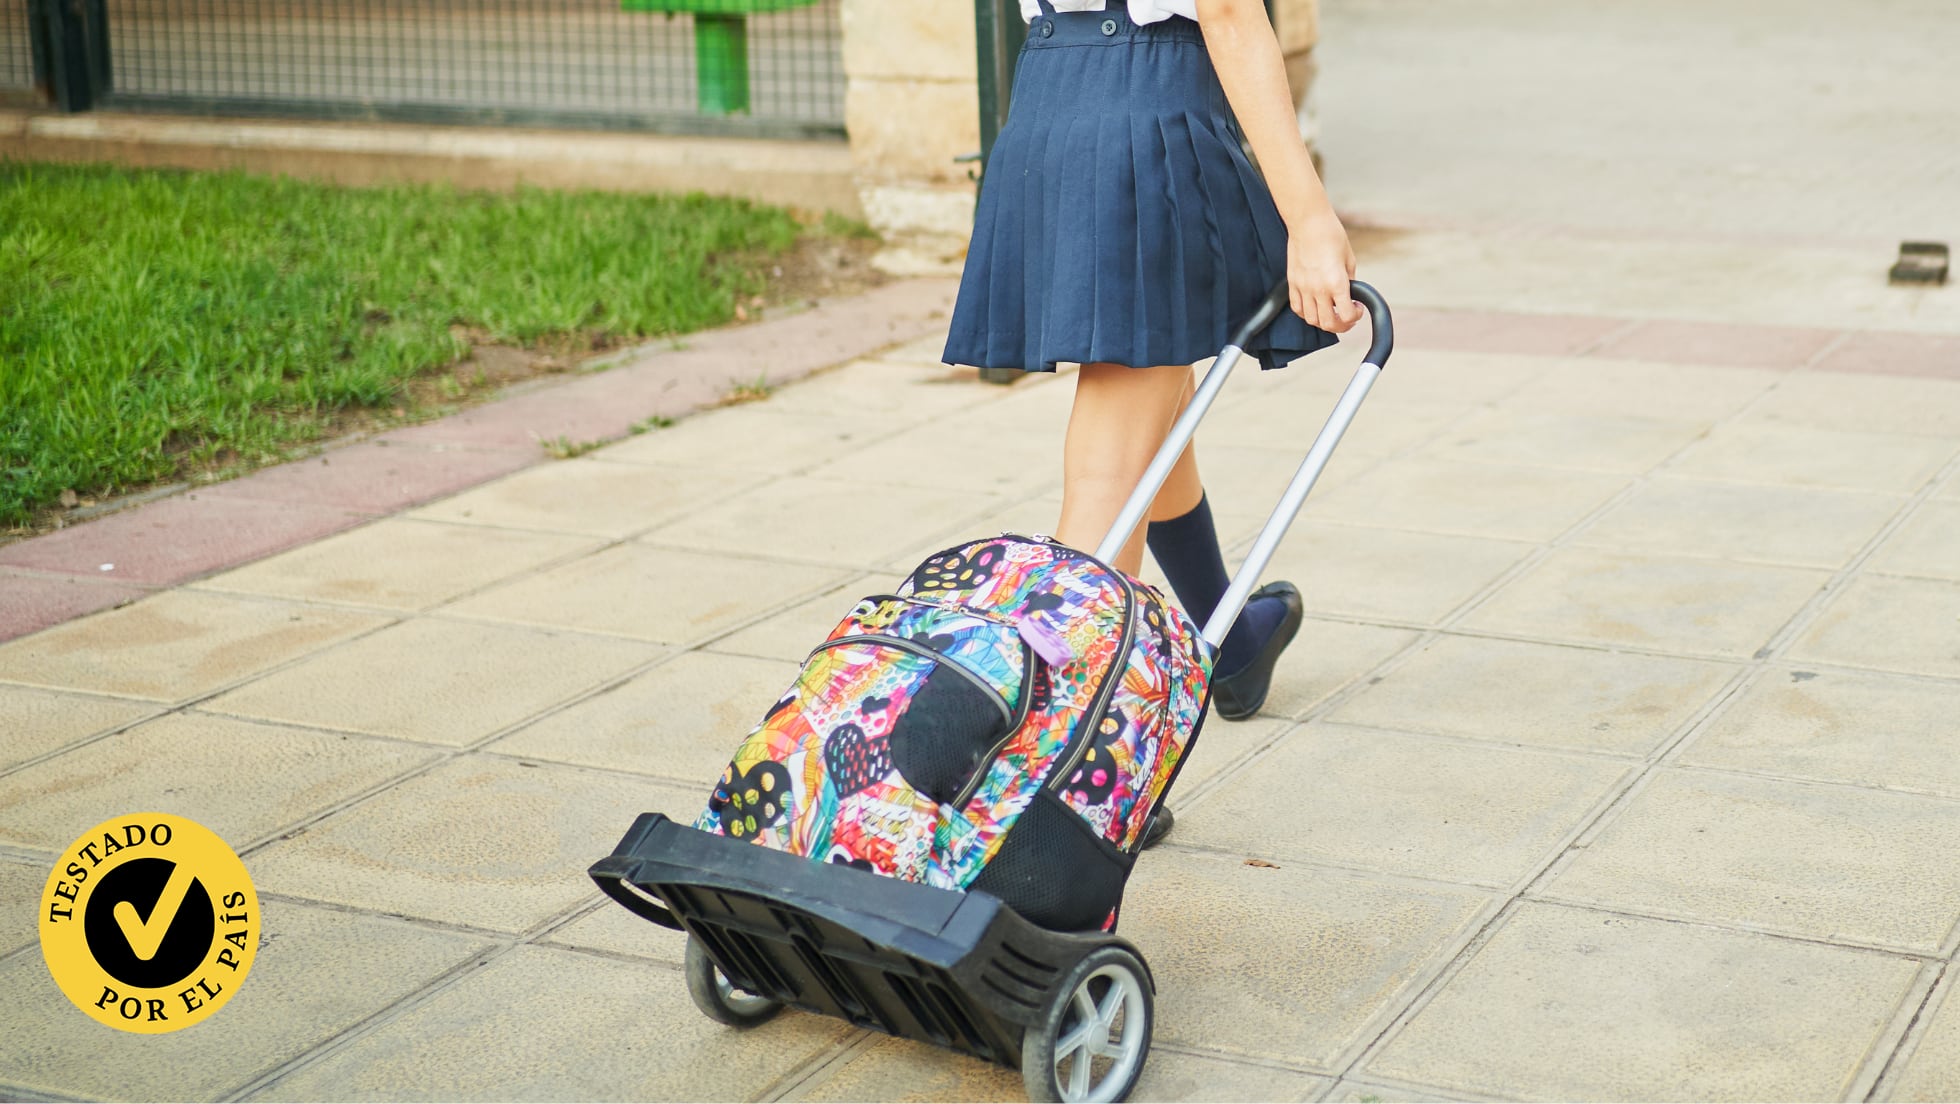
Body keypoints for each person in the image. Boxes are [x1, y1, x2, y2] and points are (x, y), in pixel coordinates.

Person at [942, 0, 1363, 737]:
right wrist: (1311, 217)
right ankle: (1067, 764)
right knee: (1111, 462)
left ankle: (1226, 644)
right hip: (1145, 120)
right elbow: (1229, 14)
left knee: (1153, 387)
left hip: (1050, 106)